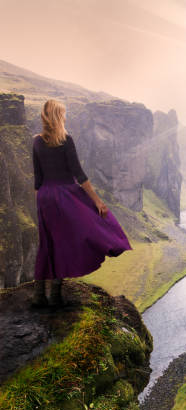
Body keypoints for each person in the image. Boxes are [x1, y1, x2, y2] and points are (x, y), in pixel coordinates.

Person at [31, 98, 132, 308]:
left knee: (46, 242)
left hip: (45, 197)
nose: (66, 116)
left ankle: (39, 295)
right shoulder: (66, 140)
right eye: (63, 113)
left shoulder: (37, 141)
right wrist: (97, 202)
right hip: (64, 195)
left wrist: (40, 204)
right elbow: (79, 174)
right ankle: (56, 295)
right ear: (59, 116)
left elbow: (38, 179)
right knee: (70, 238)